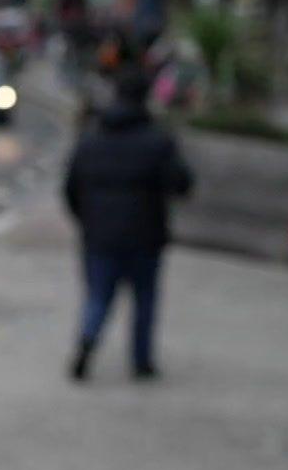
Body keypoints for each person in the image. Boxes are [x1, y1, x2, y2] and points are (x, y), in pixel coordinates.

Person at [63, 65, 195, 382]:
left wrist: (87, 220)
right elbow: (181, 184)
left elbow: (70, 188)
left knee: (98, 296)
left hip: (100, 236)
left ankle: (88, 341)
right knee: (144, 300)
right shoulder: (158, 140)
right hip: (145, 235)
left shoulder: (91, 139)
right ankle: (141, 361)